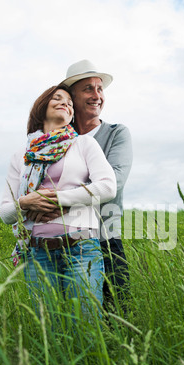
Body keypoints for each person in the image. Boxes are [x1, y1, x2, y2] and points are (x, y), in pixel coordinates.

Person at [0, 84, 116, 322]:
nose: (66, 104)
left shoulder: (83, 144)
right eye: (58, 98)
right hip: (37, 252)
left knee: (85, 325)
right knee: (48, 330)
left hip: (81, 248)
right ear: (42, 107)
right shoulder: (22, 155)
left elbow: (107, 186)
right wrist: (25, 201)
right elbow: (5, 212)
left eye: (70, 103)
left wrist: (60, 199)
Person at [61, 60, 133, 312]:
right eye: (88, 89)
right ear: (72, 96)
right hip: (62, 240)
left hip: (105, 238)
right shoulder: (57, 137)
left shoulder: (116, 133)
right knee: (70, 317)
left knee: (115, 315)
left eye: (100, 89)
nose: (97, 95)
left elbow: (113, 182)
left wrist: (55, 198)